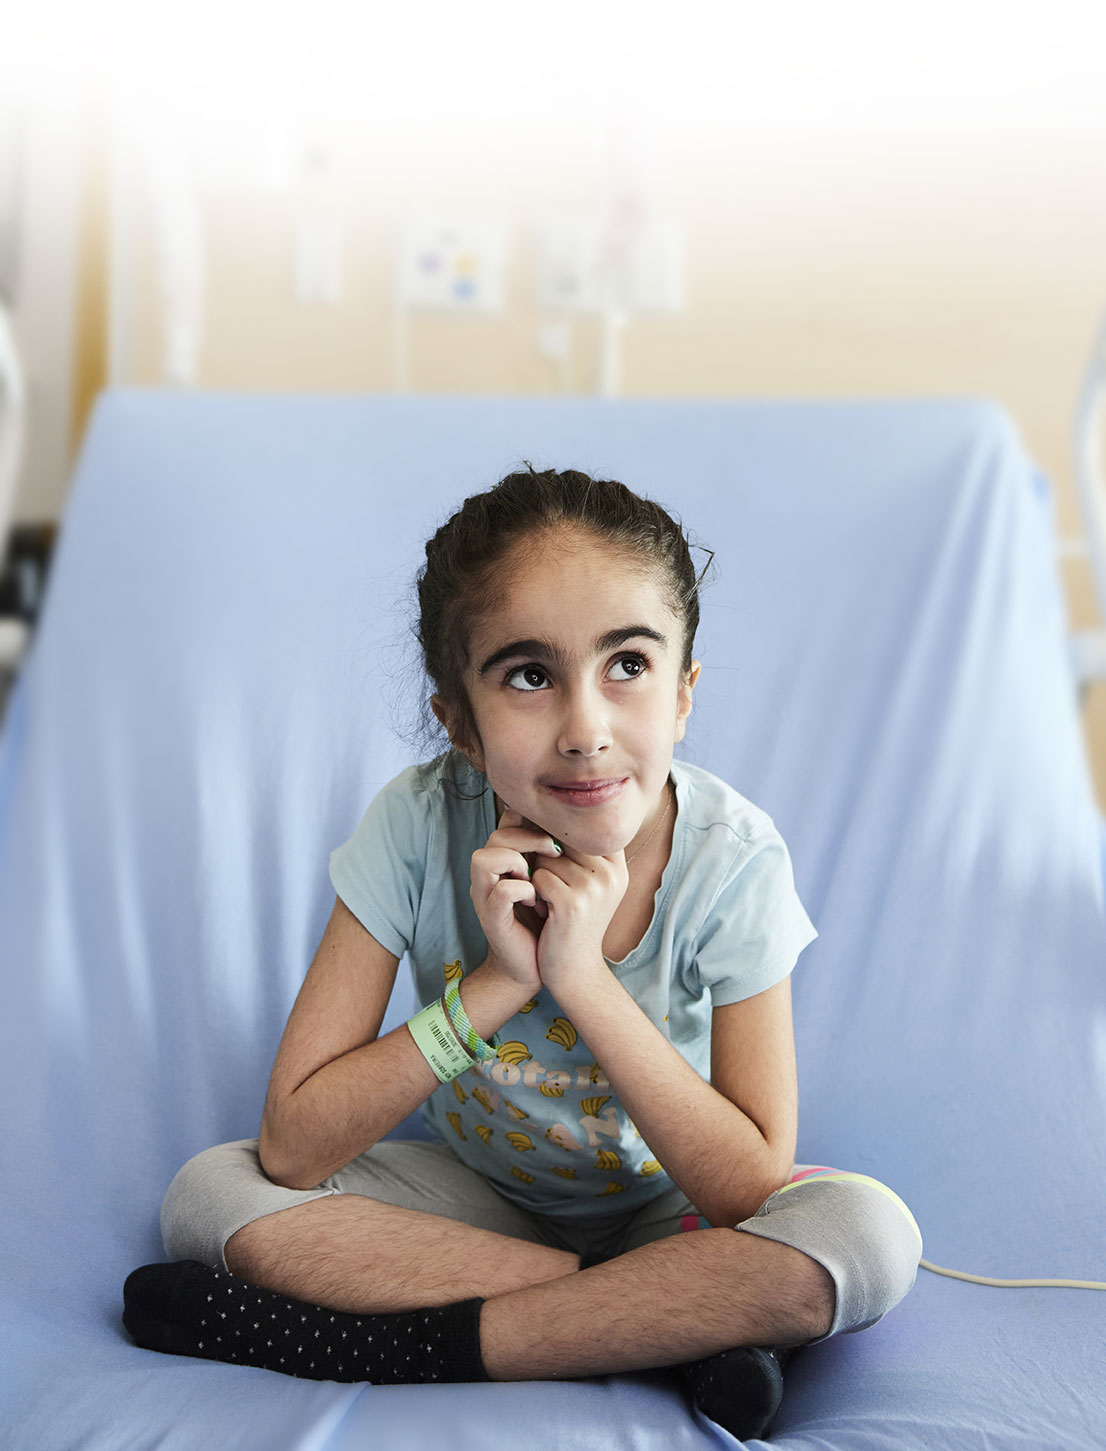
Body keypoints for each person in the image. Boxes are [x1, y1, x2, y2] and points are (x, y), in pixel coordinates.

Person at [123, 466, 922, 1440]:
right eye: (529, 675)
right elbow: (293, 1146)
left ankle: (404, 1349)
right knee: (208, 1191)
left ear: (681, 694)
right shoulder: (414, 826)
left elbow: (749, 1183)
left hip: (670, 1211)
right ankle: (666, 1320)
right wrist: (500, 982)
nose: (586, 729)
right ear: (457, 722)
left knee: (867, 1234)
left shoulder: (733, 856)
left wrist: (581, 977)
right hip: (473, 1212)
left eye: (626, 664)